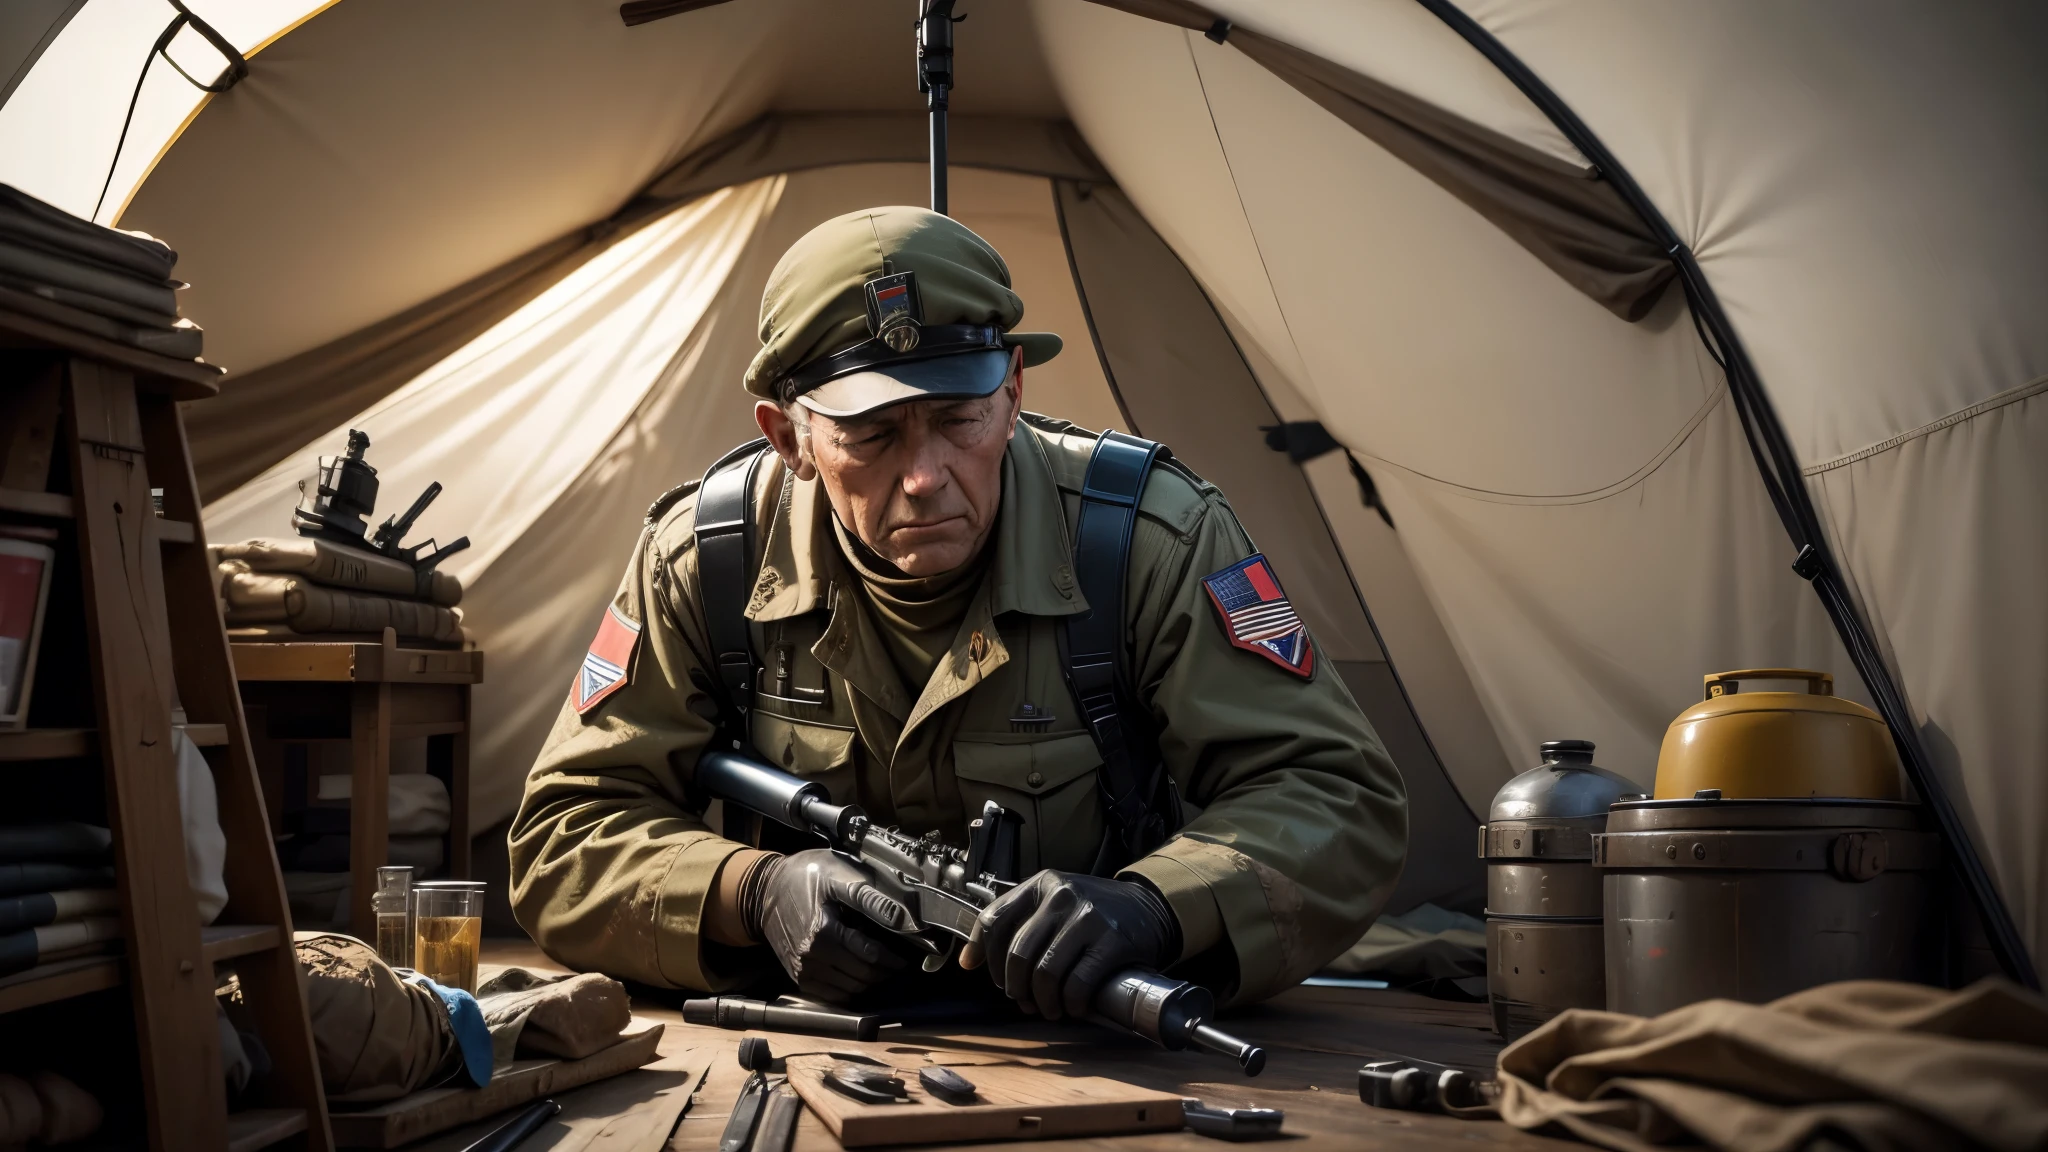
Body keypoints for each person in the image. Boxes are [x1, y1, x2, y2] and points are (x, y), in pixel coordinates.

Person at [509, 206, 1407, 1019]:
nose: (925, 475)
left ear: (1014, 391)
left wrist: (1156, 905)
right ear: (792, 438)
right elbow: (561, 835)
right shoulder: (706, 558)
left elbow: (1340, 799)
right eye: (872, 433)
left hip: (1095, 1040)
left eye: (960, 419)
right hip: (801, 1040)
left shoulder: (1148, 539)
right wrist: (749, 893)